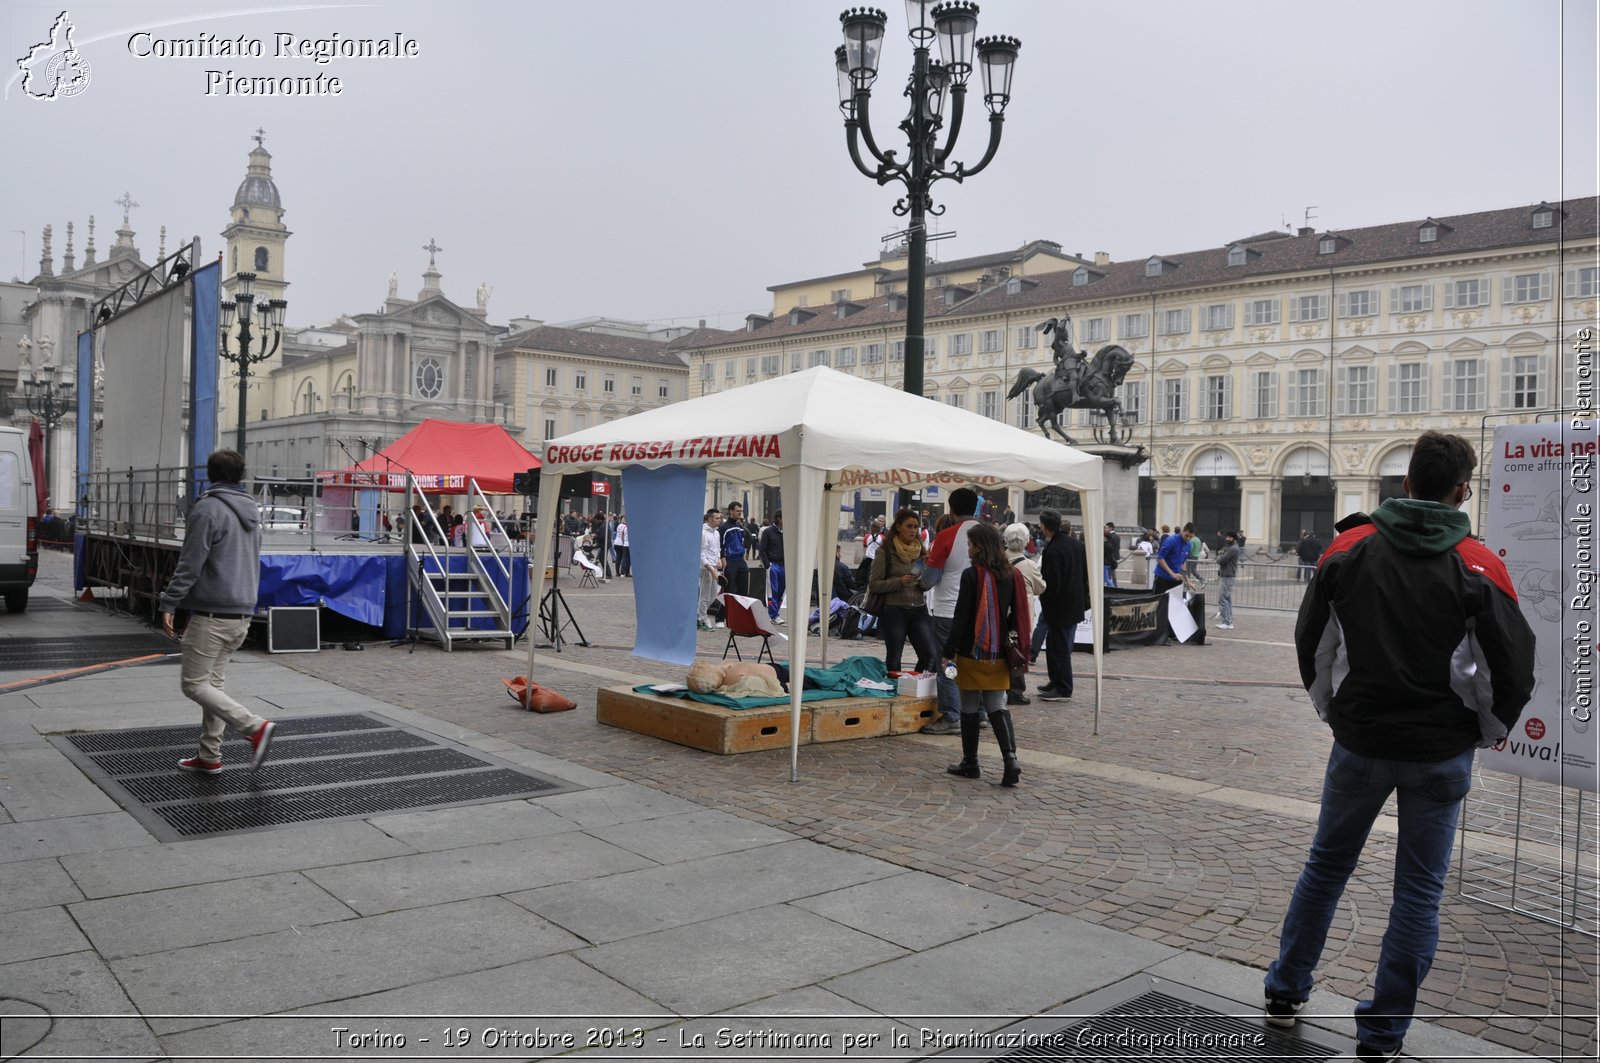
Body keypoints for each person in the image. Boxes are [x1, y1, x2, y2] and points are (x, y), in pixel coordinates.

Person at [1264, 431, 1535, 1063]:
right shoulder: (1480, 564)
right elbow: (1511, 670)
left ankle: (1285, 991)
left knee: (1326, 867)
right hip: (1440, 751)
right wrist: (1485, 729)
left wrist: (1336, 712)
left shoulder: (1350, 548)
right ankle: (1382, 1035)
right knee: (1418, 891)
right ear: (1462, 491)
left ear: (1405, 482)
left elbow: (1314, 646)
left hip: (1361, 739)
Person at [158, 449, 276, 774]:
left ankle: (254, 727)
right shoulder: (251, 510)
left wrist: (170, 602)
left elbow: (190, 563)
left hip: (212, 615)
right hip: (241, 613)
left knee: (193, 684)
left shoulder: (208, 509)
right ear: (241, 475)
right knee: (213, 683)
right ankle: (209, 756)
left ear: (209, 474)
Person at [939, 522, 1031, 787]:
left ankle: (971, 763)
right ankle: (1010, 759)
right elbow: (1017, 615)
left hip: (971, 652)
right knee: (996, 706)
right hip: (998, 653)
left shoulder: (972, 575)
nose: (968, 549)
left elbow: (962, 617)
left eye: (969, 544)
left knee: (968, 707)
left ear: (979, 546)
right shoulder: (1010, 574)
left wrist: (948, 651)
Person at [920, 487, 981, 735]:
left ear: (952, 509)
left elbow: (930, 579)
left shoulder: (947, 535)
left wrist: (921, 577)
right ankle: (979, 712)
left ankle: (952, 714)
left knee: (947, 662)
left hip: (949, 608)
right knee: (974, 661)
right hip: (980, 608)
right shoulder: (989, 533)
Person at [869, 509, 939, 674]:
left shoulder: (920, 552)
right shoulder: (885, 552)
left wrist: (923, 580)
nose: (913, 530)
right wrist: (899, 581)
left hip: (918, 609)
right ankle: (894, 690)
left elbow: (925, 585)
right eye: (909, 526)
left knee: (930, 655)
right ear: (898, 527)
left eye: (916, 527)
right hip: (894, 610)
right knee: (894, 657)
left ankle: (914, 684)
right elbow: (874, 584)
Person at [1035, 510, 1088, 701]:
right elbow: (1085, 574)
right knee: (1054, 645)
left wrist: (1045, 599)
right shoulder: (1075, 544)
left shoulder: (1053, 549)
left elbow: (1052, 582)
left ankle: (1063, 687)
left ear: (1045, 526)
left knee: (1060, 648)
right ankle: (1056, 680)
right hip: (1073, 602)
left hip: (1059, 606)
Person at [1002, 523, 1046, 705]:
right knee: (1018, 649)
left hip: (1002, 612)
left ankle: (1000, 685)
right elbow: (1041, 587)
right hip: (1022, 615)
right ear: (1026, 541)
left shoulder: (999, 560)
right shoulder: (1029, 565)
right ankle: (1016, 690)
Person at [1153, 524, 1193, 645]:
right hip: (1163, 578)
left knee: (1175, 607)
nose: (1188, 538)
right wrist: (1171, 573)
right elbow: (1160, 558)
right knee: (1160, 606)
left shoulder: (1189, 544)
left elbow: (1182, 564)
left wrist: (1188, 580)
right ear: (1183, 531)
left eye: (1190, 537)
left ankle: (1171, 632)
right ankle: (1158, 634)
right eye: (1186, 535)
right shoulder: (1171, 541)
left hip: (1176, 579)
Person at [697, 507, 723, 630]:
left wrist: (718, 560)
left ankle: (698, 616)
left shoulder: (716, 532)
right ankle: (702, 619)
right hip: (705, 568)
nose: (720, 520)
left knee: (713, 595)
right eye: (717, 518)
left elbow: (717, 549)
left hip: (714, 567)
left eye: (720, 518)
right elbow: (701, 554)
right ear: (709, 519)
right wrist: (711, 569)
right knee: (705, 595)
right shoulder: (703, 533)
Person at [759, 511, 784, 620]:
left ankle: (775, 613)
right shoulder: (768, 532)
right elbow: (762, 549)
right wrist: (767, 564)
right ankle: (773, 615)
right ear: (779, 518)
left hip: (784, 565)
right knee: (773, 590)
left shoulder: (787, 532)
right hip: (773, 564)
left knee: (781, 591)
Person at [721, 501, 749, 598]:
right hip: (730, 561)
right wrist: (723, 560)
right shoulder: (723, 527)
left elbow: (742, 542)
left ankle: (740, 611)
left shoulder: (740, 527)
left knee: (743, 588)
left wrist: (744, 556)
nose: (739, 513)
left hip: (741, 561)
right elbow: (720, 545)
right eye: (737, 511)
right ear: (731, 511)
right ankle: (726, 612)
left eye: (741, 511)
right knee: (730, 589)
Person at [1215, 530, 1241, 630]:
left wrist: (1219, 555)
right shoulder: (1231, 548)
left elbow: (1221, 560)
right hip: (1227, 575)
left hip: (1227, 576)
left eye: (1229, 537)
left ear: (1233, 538)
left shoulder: (1233, 549)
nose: (1227, 539)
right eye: (1227, 537)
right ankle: (1228, 621)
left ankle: (1226, 621)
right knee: (1227, 599)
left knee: (1223, 599)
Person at [1102, 521, 1122, 588]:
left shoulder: (1110, 538)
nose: (1106, 529)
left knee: (1109, 577)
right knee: (1111, 576)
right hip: (1113, 558)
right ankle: (1114, 586)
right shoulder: (1117, 536)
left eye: (1107, 528)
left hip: (1108, 560)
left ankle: (1114, 587)